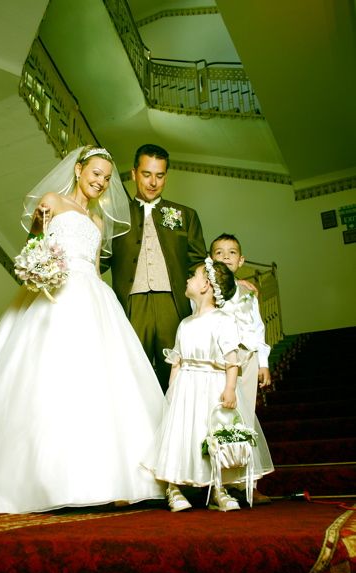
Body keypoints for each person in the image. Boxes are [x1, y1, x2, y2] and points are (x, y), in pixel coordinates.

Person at [0, 145, 166, 514]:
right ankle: (38, 480)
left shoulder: (98, 221)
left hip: (92, 298)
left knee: (99, 382)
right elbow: (32, 246)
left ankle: (104, 479)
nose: (101, 182)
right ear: (79, 170)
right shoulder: (52, 201)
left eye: (107, 178)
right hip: (54, 293)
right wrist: (40, 235)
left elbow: (94, 264)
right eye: (96, 173)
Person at [142, 259, 273, 512]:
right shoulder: (185, 324)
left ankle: (218, 488)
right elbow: (177, 361)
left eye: (194, 276)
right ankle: (174, 488)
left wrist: (230, 388)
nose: (188, 279)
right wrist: (172, 390)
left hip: (213, 385)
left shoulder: (223, 320)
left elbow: (231, 360)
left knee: (211, 435)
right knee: (181, 436)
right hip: (186, 388)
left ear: (206, 286)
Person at [101, 143, 207, 392]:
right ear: (133, 173)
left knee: (176, 375)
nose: (153, 182)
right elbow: (99, 261)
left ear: (166, 176)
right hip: (131, 304)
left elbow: (199, 262)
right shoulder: (114, 217)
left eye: (159, 175)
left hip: (173, 303)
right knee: (133, 376)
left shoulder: (185, 215)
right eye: (146, 174)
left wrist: (231, 279)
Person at [210, 233, 274, 505]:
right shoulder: (208, 289)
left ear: (242, 260)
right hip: (222, 360)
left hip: (248, 357)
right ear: (210, 259)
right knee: (222, 417)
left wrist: (263, 362)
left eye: (232, 252)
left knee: (246, 419)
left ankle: (249, 482)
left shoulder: (248, 292)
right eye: (219, 252)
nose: (226, 257)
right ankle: (222, 482)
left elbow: (257, 327)